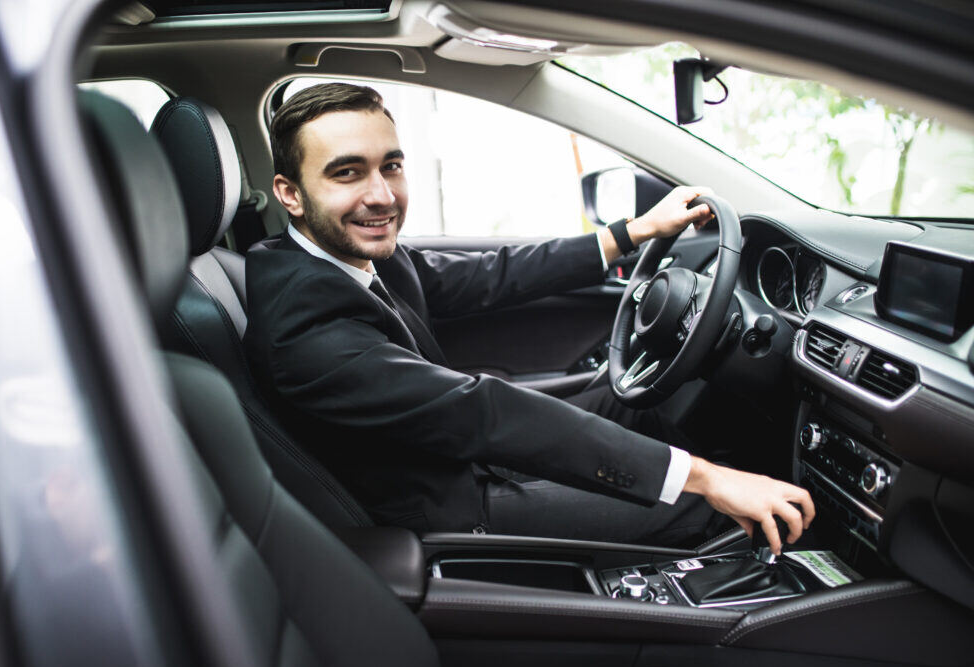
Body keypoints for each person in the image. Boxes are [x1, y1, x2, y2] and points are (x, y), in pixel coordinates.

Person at [244, 82, 814, 551]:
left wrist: (633, 232)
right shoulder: (305, 327)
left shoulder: (342, 256)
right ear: (290, 194)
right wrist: (708, 480)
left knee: (631, 399)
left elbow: (493, 274)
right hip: (447, 513)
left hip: (456, 459)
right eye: (347, 173)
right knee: (705, 511)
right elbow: (482, 411)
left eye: (390, 166)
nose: (382, 196)